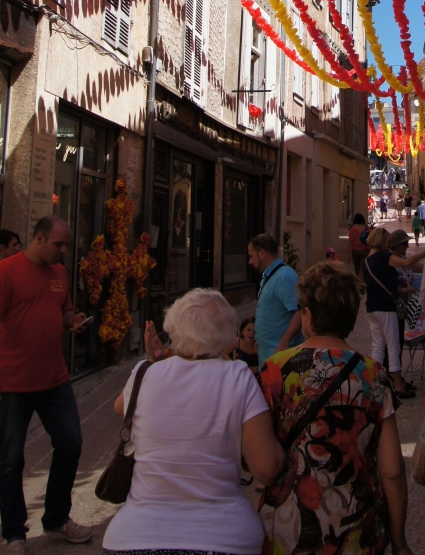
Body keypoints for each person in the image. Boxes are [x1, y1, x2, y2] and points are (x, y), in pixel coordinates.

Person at [103, 289, 285, 555]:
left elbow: (122, 409)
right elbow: (266, 468)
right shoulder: (237, 376)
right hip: (223, 538)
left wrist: (159, 363)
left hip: (134, 537)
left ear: (174, 331)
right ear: (225, 336)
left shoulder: (145, 374)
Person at [259, 261, 415, 555]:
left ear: (307, 316)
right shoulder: (373, 376)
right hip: (356, 528)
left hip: (286, 526)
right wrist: (400, 541)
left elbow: (261, 461)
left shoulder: (273, 372)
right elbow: (392, 471)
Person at [0, 216, 92, 551]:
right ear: (40, 238)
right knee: (10, 460)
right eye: (59, 244)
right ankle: (13, 533)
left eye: (66, 244)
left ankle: (56, 518)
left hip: (54, 379)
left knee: (71, 443)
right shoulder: (6, 272)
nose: (64, 251)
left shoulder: (60, 274)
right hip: (12, 382)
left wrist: (74, 320)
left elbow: (63, 311)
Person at [363, 228, 425, 400]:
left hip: (372, 307)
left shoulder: (367, 261)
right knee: (393, 346)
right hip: (386, 307)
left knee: (378, 347)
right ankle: (398, 386)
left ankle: (376, 382)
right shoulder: (384, 257)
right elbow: (407, 262)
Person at [248, 234, 303, 365]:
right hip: (268, 354)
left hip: (281, 357)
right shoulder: (271, 275)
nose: (250, 261)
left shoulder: (284, 277)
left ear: (262, 253)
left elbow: (300, 312)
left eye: (251, 256)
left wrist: (284, 342)